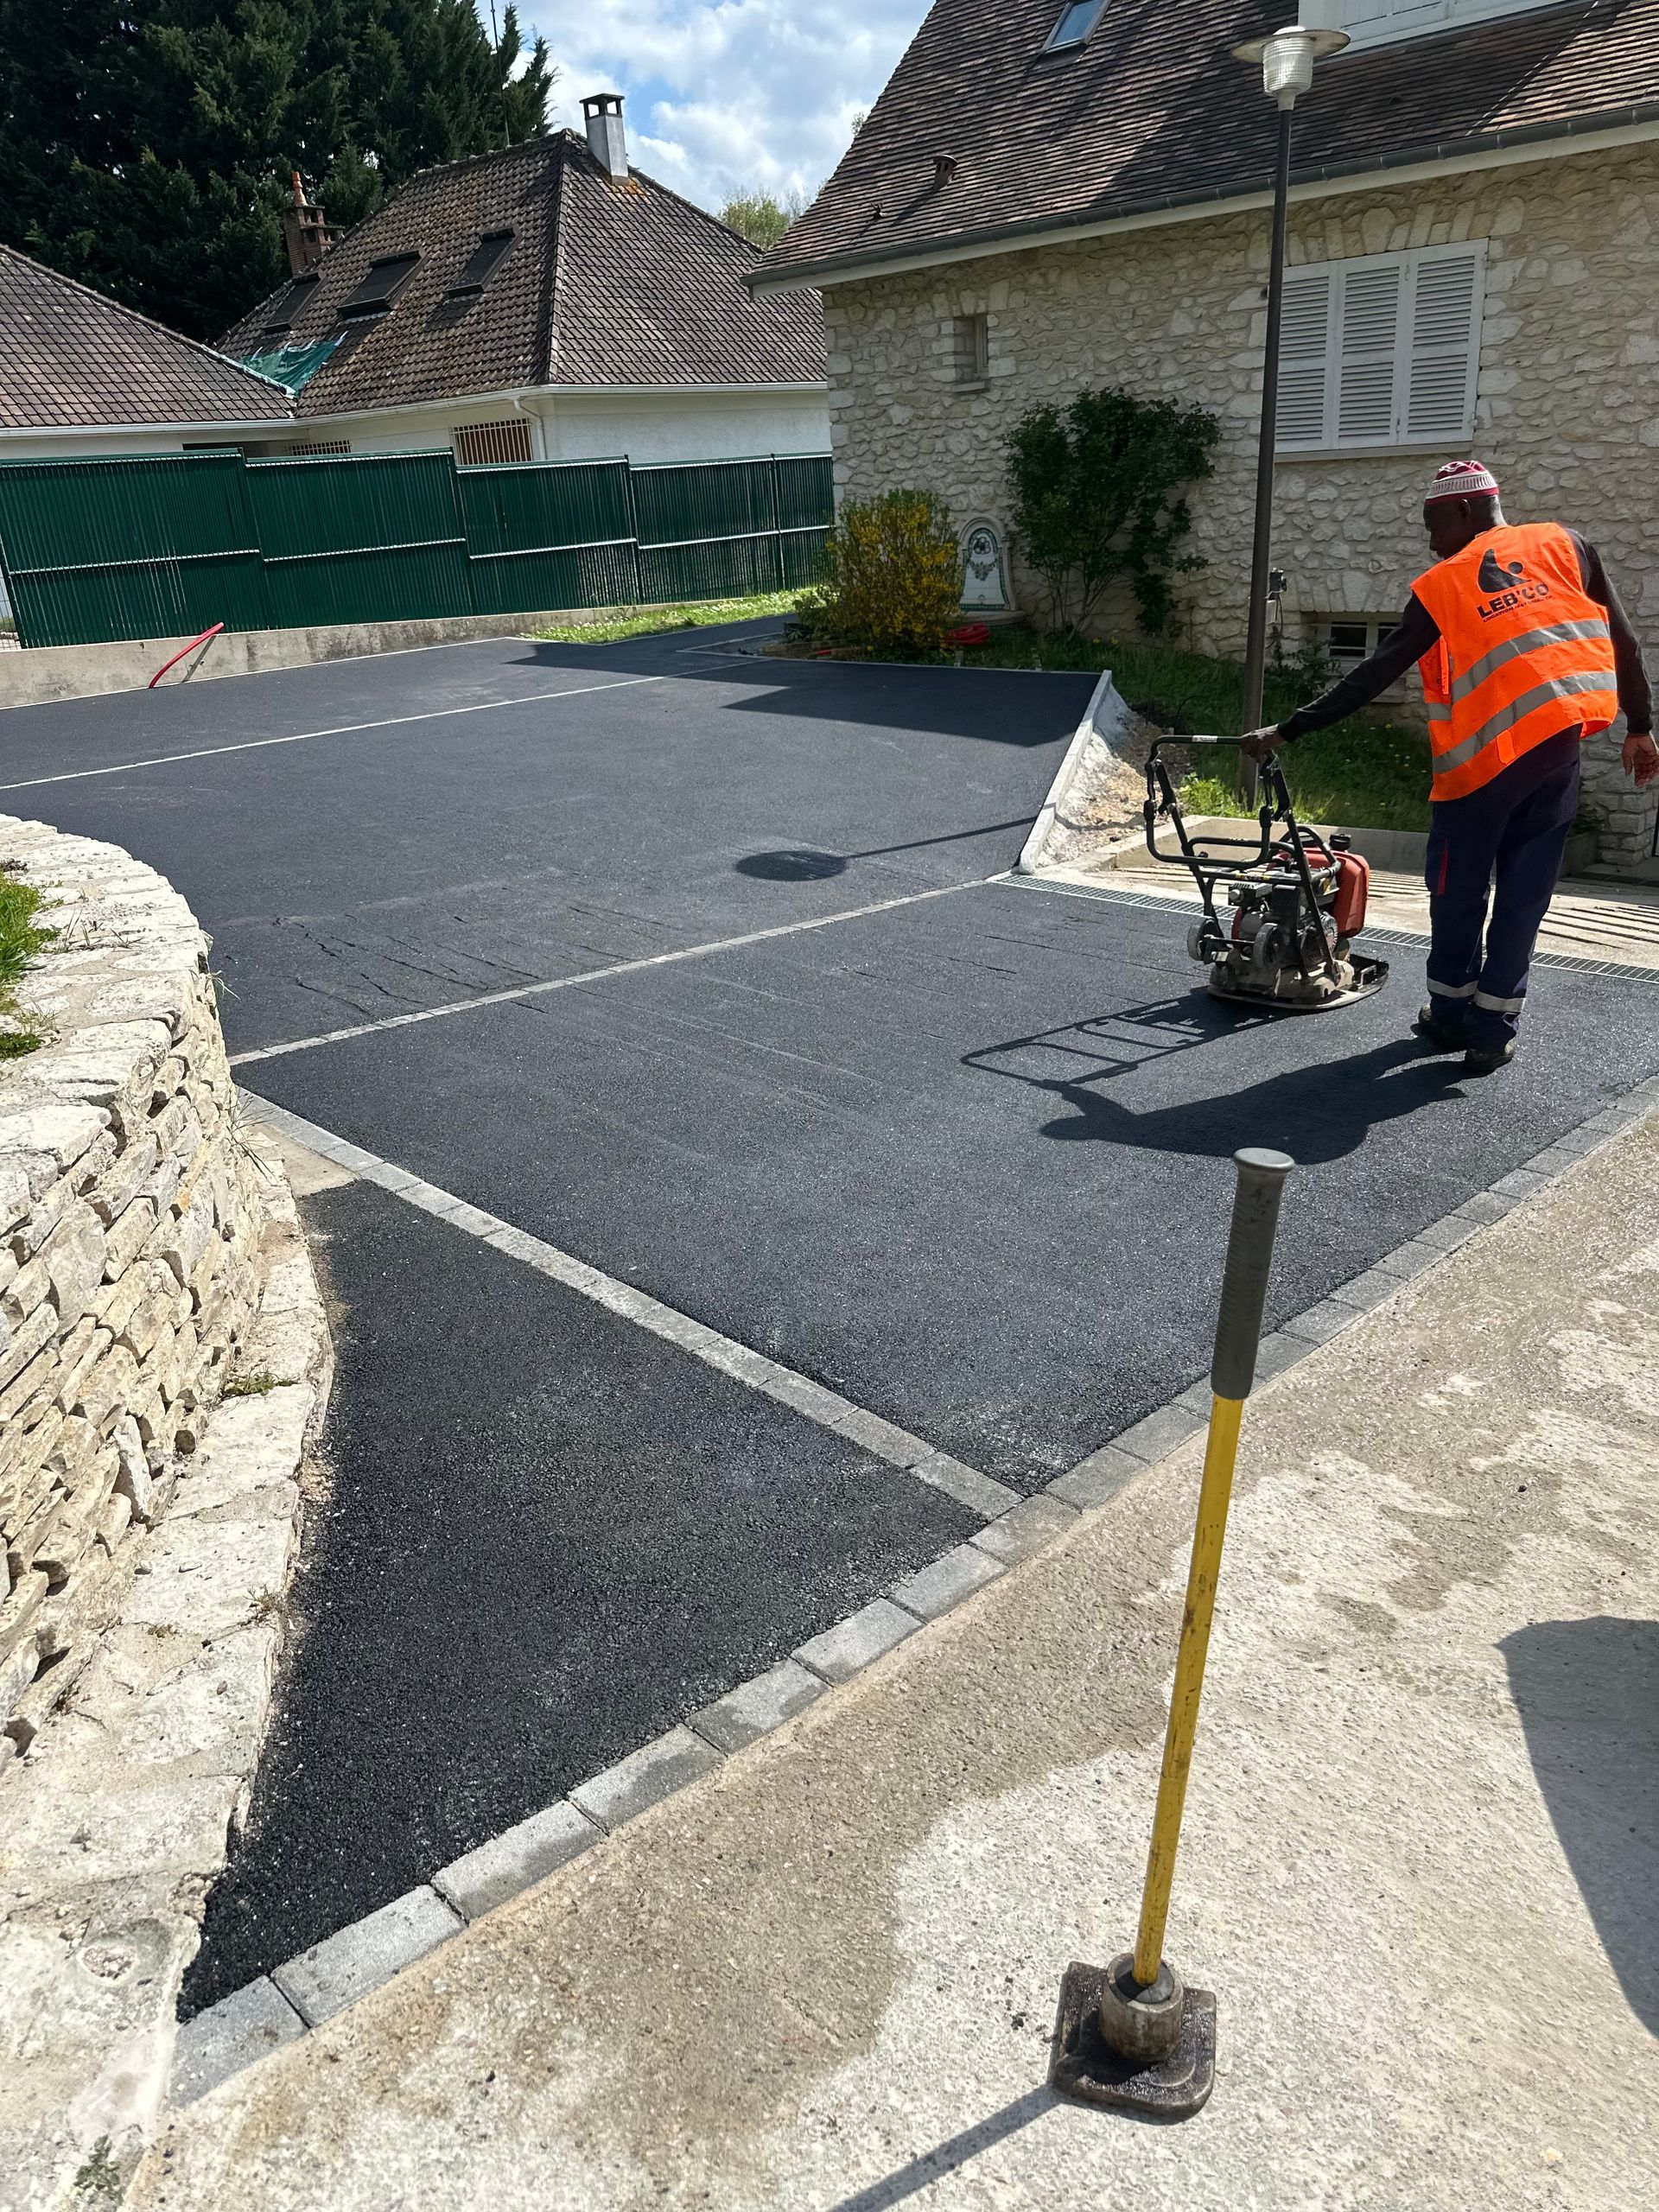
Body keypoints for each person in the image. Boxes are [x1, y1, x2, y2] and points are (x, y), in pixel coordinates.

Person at [1243, 460, 1659, 1072]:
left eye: (1431, 523)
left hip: (1480, 773)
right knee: (1524, 899)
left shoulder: (1445, 582)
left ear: (1463, 510)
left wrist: (1287, 730)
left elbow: (1373, 673)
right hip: (1557, 758)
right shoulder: (1567, 546)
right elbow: (1623, 640)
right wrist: (1641, 727)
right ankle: (1494, 1030)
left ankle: (1449, 1015)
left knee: (1456, 893)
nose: (1428, 540)